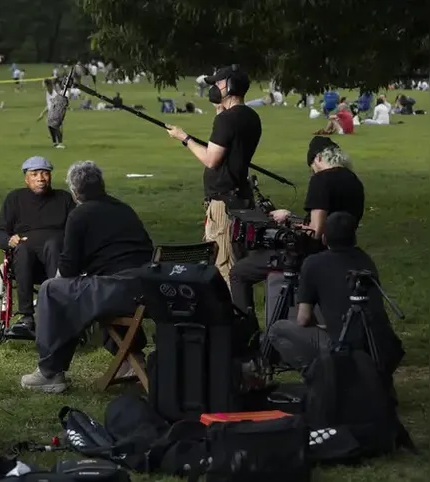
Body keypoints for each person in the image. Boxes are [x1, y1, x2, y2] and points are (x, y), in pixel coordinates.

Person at [20, 161, 154, 393]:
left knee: (51, 290)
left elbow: (68, 268)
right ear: (102, 185)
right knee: (87, 292)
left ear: (74, 191)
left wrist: (59, 283)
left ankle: (50, 372)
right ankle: (131, 359)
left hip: (120, 290)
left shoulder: (79, 215)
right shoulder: (123, 208)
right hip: (147, 287)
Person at [229, 136, 365, 315]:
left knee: (239, 272)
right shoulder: (354, 180)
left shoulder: (321, 180)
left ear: (317, 158)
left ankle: (246, 329)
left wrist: (289, 223)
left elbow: (315, 232)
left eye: (312, 167)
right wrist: (292, 217)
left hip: (311, 254)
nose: (313, 172)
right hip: (343, 249)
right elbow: (330, 220)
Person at [267, 212, 405, 377]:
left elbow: (303, 319)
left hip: (344, 347)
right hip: (380, 346)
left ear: (324, 238)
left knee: (277, 329)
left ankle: (320, 377)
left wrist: (320, 327)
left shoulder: (313, 263)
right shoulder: (365, 259)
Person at [165, 64, 263, 285]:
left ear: (230, 86)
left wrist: (184, 138)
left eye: (218, 83)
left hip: (224, 202)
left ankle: (231, 315)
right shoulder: (250, 116)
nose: (215, 88)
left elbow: (211, 159)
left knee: (224, 264)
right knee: (238, 261)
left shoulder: (226, 120)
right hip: (241, 196)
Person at [0, 156, 75, 333]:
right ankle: (26, 317)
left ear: (50, 176)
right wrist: (9, 240)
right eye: (35, 174)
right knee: (23, 250)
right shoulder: (15, 199)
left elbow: (77, 231)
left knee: (53, 245)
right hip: (26, 261)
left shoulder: (64, 199)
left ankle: (57, 313)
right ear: (26, 179)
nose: (40, 178)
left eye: (45, 173)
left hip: (57, 259)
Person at [36, 79, 66, 148]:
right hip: (51, 112)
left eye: (43, 83)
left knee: (57, 126)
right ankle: (54, 142)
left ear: (47, 85)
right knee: (50, 126)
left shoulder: (55, 93)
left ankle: (61, 143)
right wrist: (42, 114)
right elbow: (49, 105)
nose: (42, 85)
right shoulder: (47, 93)